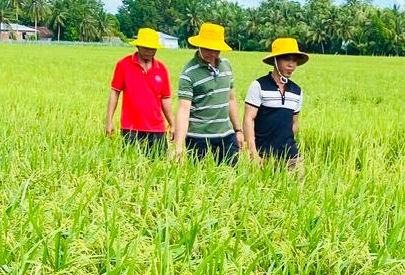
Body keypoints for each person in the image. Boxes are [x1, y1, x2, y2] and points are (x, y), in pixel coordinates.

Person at [173, 22, 242, 163]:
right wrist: (179, 146)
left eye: (216, 49)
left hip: (227, 135)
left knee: (231, 179)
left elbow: (231, 99)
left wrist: (238, 130)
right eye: (208, 49)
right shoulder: (189, 73)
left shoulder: (226, 66)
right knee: (201, 180)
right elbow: (184, 110)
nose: (213, 53)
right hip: (199, 138)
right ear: (199, 45)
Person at [244, 37, 307, 175]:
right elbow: (248, 119)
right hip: (263, 155)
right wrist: (253, 152)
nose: (291, 64)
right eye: (287, 59)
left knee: (298, 193)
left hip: (290, 155)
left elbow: (295, 123)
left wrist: (284, 139)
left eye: (295, 60)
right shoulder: (259, 86)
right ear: (275, 60)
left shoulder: (297, 91)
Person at [105, 27, 172, 156]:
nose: (150, 51)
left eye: (153, 48)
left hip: (157, 128)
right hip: (130, 128)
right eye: (146, 48)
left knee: (158, 167)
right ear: (138, 46)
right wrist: (109, 121)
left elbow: (165, 98)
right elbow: (115, 93)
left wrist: (172, 124)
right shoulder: (124, 65)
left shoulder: (161, 69)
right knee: (131, 165)